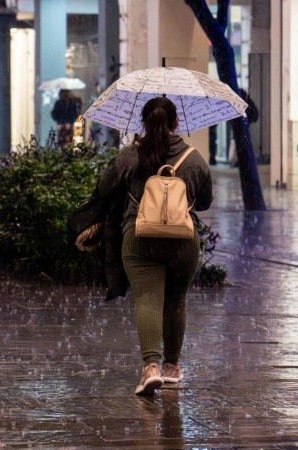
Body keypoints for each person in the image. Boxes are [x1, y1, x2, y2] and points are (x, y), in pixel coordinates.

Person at [96, 97, 213, 396]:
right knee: (176, 302)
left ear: (144, 122)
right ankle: (173, 367)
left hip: (139, 238)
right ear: (175, 123)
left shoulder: (130, 156)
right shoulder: (194, 159)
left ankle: (151, 368)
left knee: (148, 299)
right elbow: (205, 202)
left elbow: (104, 187)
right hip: (182, 243)